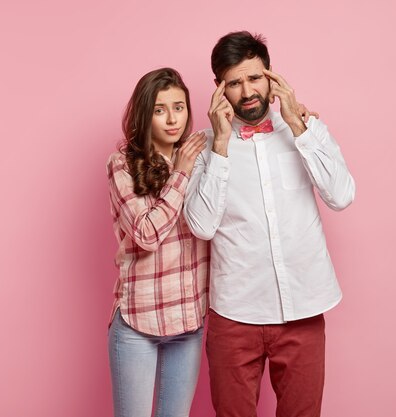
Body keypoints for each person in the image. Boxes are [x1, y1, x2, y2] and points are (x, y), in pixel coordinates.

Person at [183, 31, 356, 417]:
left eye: (255, 77)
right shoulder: (204, 148)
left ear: (272, 77)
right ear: (219, 90)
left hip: (303, 308)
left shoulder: (307, 130)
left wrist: (300, 128)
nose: (247, 91)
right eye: (234, 82)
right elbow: (201, 226)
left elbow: (341, 195)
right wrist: (221, 147)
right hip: (235, 313)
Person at [106, 67, 208, 417]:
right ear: (144, 114)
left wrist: (296, 122)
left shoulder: (202, 156)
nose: (172, 119)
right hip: (139, 321)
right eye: (160, 109)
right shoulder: (121, 164)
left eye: (178, 107)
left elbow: (243, 139)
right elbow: (147, 235)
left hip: (188, 322)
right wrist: (179, 173)